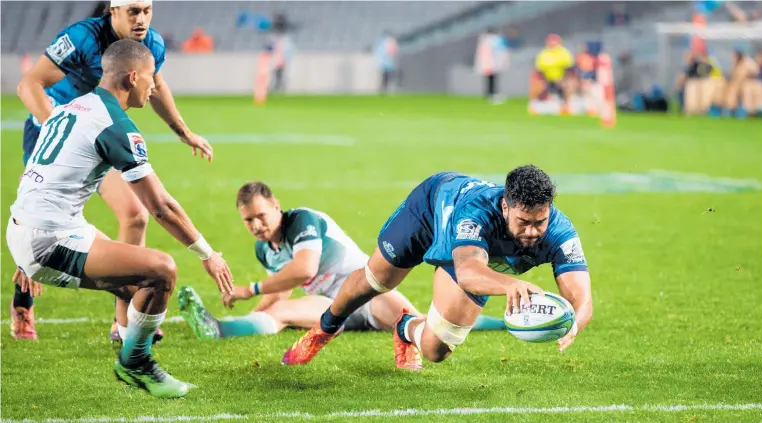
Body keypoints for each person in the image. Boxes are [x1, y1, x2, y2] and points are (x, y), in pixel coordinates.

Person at [6, 39, 234, 397]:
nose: (154, 86)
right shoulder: (113, 124)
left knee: (134, 289)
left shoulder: (71, 107)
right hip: (48, 237)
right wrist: (208, 254)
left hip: (33, 227)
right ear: (131, 78)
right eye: (150, 78)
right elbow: (160, 206)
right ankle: (137, 364)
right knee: (162, 270)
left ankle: (131, 346)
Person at [14, 0, 213, 342]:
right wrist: (59, 131)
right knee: (47, 217)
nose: (142, 19)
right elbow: (29, 85)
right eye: (133, 11)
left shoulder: (152, 43)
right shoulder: (81, 37)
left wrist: (184, 131)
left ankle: (123, 322)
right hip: (52, 130)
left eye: (147, 10)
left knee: (136, 214)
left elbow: (158, 86)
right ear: (112, 11)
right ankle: (22, 303)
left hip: (98, 133)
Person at [282, 165, 593, 370]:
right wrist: (509, 284)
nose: (532, 231)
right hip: (432, 210)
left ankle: (405, 328)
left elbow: (582, 296)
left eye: (540, 222)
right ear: (504, 206)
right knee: (376, 280)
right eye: (523, 222)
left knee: (435, 351)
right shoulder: (477, 213)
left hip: (478, 259)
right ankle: (325, 328)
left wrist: (574, 323)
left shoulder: (560, 232)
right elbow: (469, 271)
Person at [178, 182, 506, 339]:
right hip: (328, 305)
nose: (257, 225)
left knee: (431, 325)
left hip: (367, 290)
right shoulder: (264, 249)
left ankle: (506, 323)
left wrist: (248, 290)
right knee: (280, 311)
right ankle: (219, 328)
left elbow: (303, 269)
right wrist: (255, 310)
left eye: (261, 216)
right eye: (248, 221)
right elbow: (279, 289)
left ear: (277, 206)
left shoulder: (302, 221)